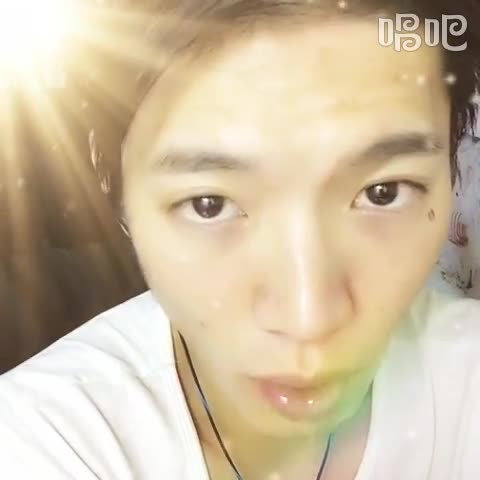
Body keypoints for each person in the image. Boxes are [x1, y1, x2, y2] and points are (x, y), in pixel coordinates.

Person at [1, 1, 480, 479]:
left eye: (383, 193)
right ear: (117, 190)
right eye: (209, 204)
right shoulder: (43, 440)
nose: (308, 320)